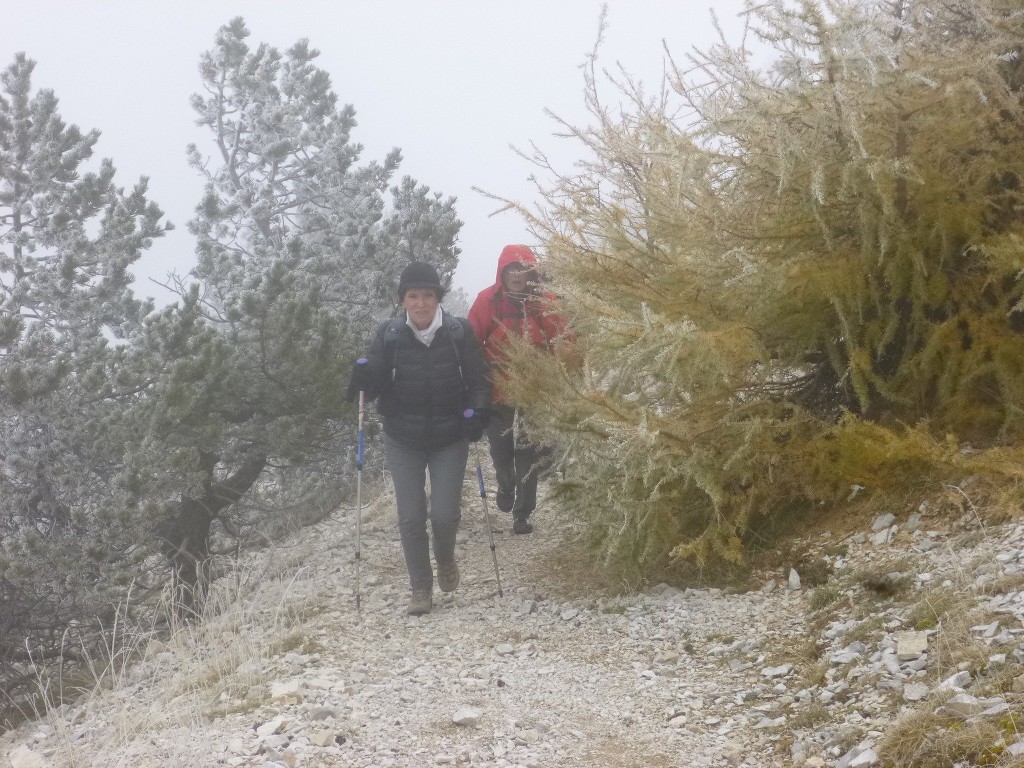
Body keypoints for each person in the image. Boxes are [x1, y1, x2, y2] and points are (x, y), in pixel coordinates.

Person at [348, 261, 491, 616]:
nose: (421, 303)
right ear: (403, 300)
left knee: (444, 515)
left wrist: (478, 412)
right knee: (410, 518)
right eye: (413, 296)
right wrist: (362, 377)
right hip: (403, 437)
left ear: (438, 298)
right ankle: (421, 588)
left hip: (450, 436)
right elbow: (376, 381)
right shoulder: (389, 335)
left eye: (428, 295)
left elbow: (479, 379)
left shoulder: (458, 332)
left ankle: (445, 559)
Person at [468, 245, 567, 535]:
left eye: (522, 268)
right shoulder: (487, 300)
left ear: (531, 272)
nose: (516, 274)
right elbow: (473, 341)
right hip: (499, 385)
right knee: (500, 449)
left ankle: (522, 513)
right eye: (511, 268)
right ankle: (505, 482)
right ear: (502, 272)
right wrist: (475, 378)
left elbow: (562, 337)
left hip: (535, 386)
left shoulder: (544, 301)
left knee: (529, 449)